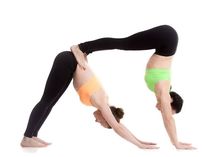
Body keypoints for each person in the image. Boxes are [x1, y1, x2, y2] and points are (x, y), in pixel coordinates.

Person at [71, 25, 195, 149]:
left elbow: (168, 117)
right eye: (167, 108)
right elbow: (168, 119)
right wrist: (176, 142)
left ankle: (85, 50)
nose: (163, 110)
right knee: (123, 43)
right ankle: (81, 48)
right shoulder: (163, 90)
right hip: (167, 38)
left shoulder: (159, 90)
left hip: (166, 41)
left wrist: (139, 142)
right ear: (171, 100)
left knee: (123, 43)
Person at [20, 50, 158, 149]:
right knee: (46, 100)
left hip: (69, 64)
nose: (96, 121)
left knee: (49, 103)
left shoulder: (105, 101)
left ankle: (32, 135)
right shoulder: (102, 102)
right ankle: (27, 137)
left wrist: (139, 140)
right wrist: (139, 144)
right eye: (101, 122)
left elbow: (118, 123)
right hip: (68, 62)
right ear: (106, 116)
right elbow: (117, 126)